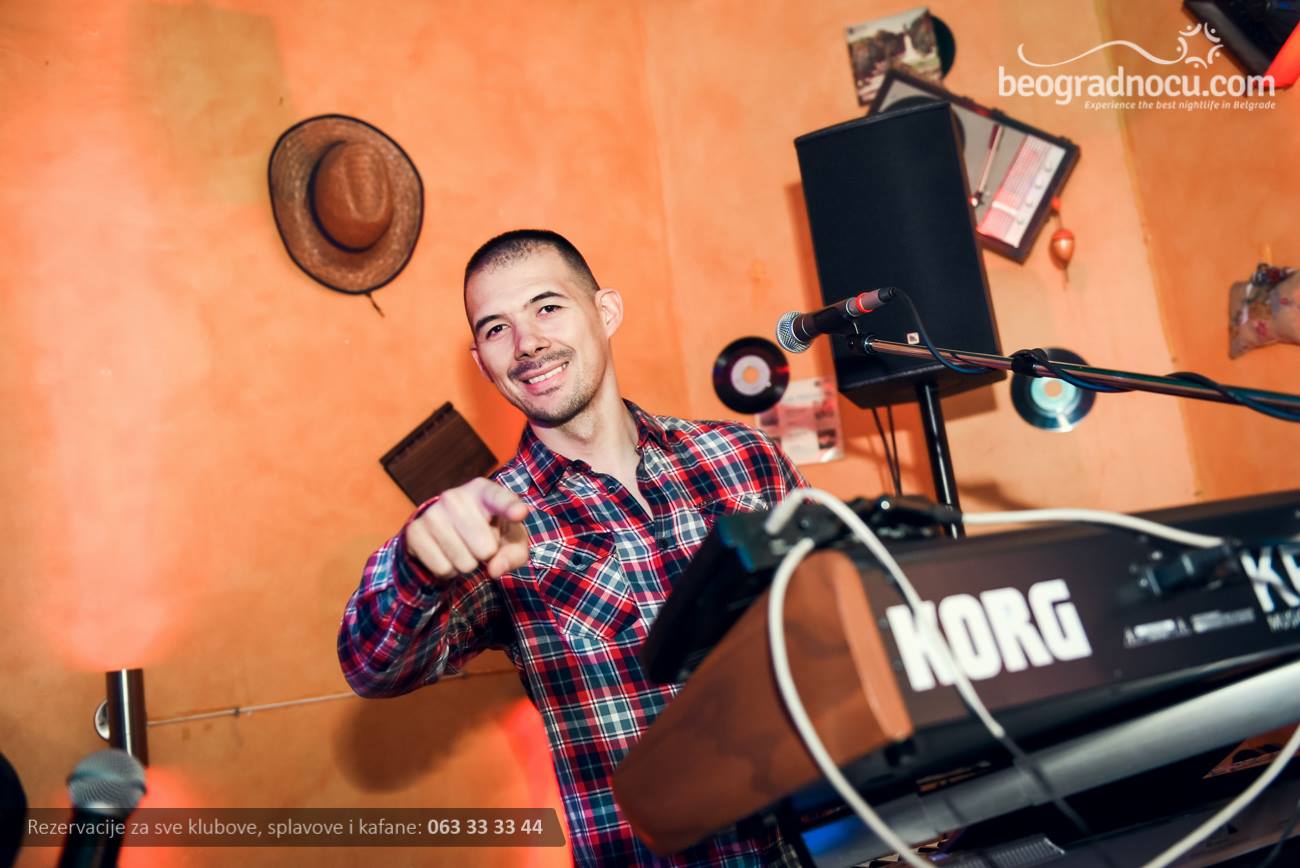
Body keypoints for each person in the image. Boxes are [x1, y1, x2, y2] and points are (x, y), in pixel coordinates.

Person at [338, 229, 808, 866]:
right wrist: (416, 562)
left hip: (817, 843)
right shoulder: (496, 524)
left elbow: (838, 621)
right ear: (481, 361)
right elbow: (373, 666)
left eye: (547, 306)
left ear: (605, 312)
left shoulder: (743, 458)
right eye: (496, 328)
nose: (527, 343)